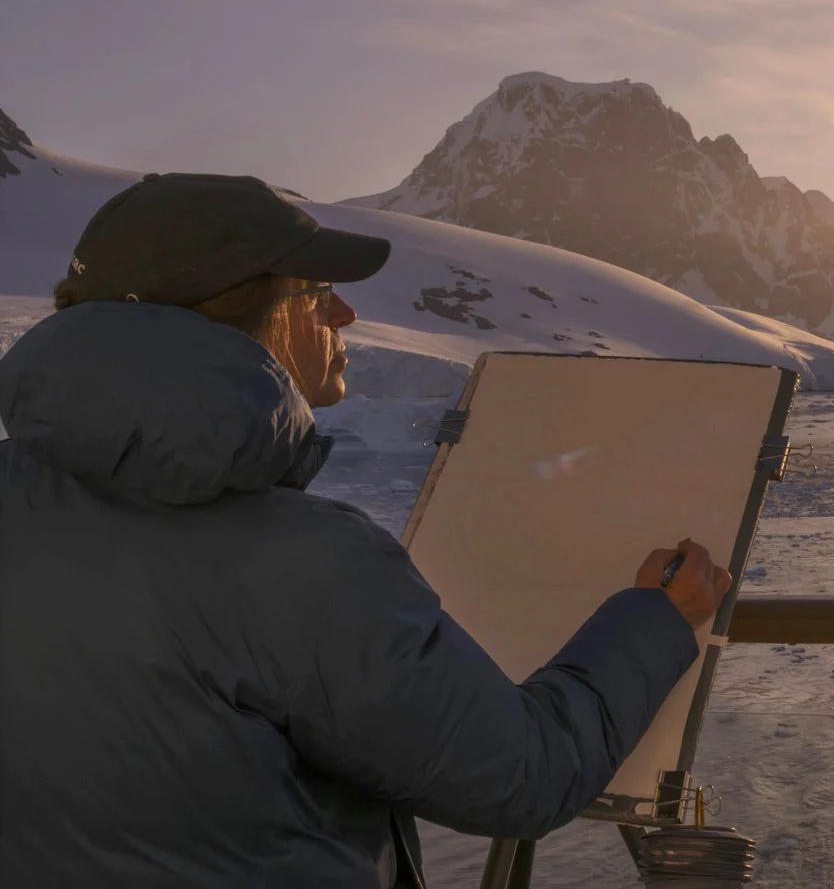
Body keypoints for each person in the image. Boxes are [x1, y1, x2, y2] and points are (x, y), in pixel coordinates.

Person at [0, 173, 733, 887]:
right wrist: (657, 620)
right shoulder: (300, 559)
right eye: (318, 291)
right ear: (239, 313)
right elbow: (521, 777)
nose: (345, 314)